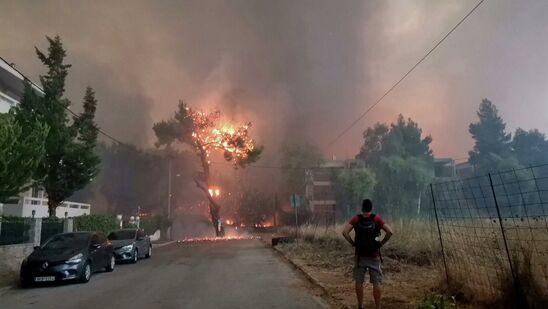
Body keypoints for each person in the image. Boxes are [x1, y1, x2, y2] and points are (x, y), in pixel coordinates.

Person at [342, 199, 393, 309]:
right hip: (373, 255)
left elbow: (345, 232)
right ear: (371, 208)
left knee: (359, 281)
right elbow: (390, 232)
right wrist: (381, 243)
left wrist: (353, 243)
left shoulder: (356, 219)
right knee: (376, 283)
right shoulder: (376, 219)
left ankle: (360, 306)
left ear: (362, 208)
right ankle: (378, 307)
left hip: (360, 255)